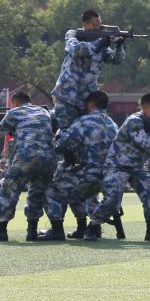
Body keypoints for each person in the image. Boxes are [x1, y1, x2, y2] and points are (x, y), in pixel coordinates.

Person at [86, 92, 150, 241]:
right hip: (118, 165)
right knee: (112, 201)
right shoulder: (134, 121)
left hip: (137, 167)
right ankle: (93, 226)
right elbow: (145, 142)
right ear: (144, 108)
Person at [40, 90, 119, 240]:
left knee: (50, 192)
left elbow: (62, 146)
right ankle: (83, 228)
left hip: (88, 174)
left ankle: (57, 231)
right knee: (75, 192)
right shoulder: (113, 124)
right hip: (108, 176)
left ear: (90, 104)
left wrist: (57, 135)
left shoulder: (84, 121)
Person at [50, 9, 127, 130]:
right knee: (67, 132)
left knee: (84, 133)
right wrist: (101, 42)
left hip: (86, 100)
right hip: (66, 97)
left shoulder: (101, 44)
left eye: (100, 24)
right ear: (85, 25)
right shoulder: (73, 34)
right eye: (95, 25)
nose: (99, 27)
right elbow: (76, 50)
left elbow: (115, 60)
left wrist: (119, 46)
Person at [0, 91, 56, 242]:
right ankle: (32, 232)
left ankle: (1, 230)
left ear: (15, 103)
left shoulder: (14, 112)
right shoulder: (44, 112)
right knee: (36, 192)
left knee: (8, 188)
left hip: (27, 157)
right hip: (49, 160)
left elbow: (1, 130)